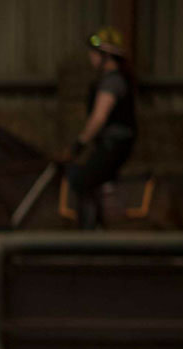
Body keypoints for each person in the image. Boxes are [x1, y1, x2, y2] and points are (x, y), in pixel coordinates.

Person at [61, 27, 138, 230]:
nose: (91, 57)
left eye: (95, 53)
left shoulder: (111, 83)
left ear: (106, 56)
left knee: (81, 181)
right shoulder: (115, 80)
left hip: (113, 145)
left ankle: (90, 232)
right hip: (114, 145)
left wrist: (79, 144)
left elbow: (98, 118)